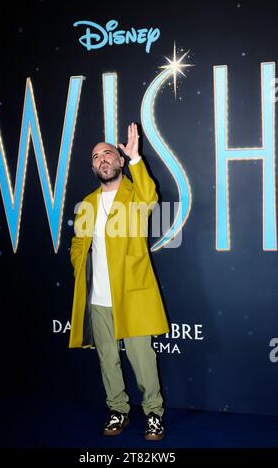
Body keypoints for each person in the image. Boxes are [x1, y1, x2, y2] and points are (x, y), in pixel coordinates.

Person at [69, 122, 170, 441]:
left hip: (132, 293)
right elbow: (78, 242)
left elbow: (150, 196)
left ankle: (153, 414)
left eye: (107, 153)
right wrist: (78, 263)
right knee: (107, 360)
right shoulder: (87, 202)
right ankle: (118, 410)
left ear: (120, 161)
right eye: (95, 156)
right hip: (97, 298)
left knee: (143, 360)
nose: (101, 159)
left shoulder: (134, 194)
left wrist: (137, 158)